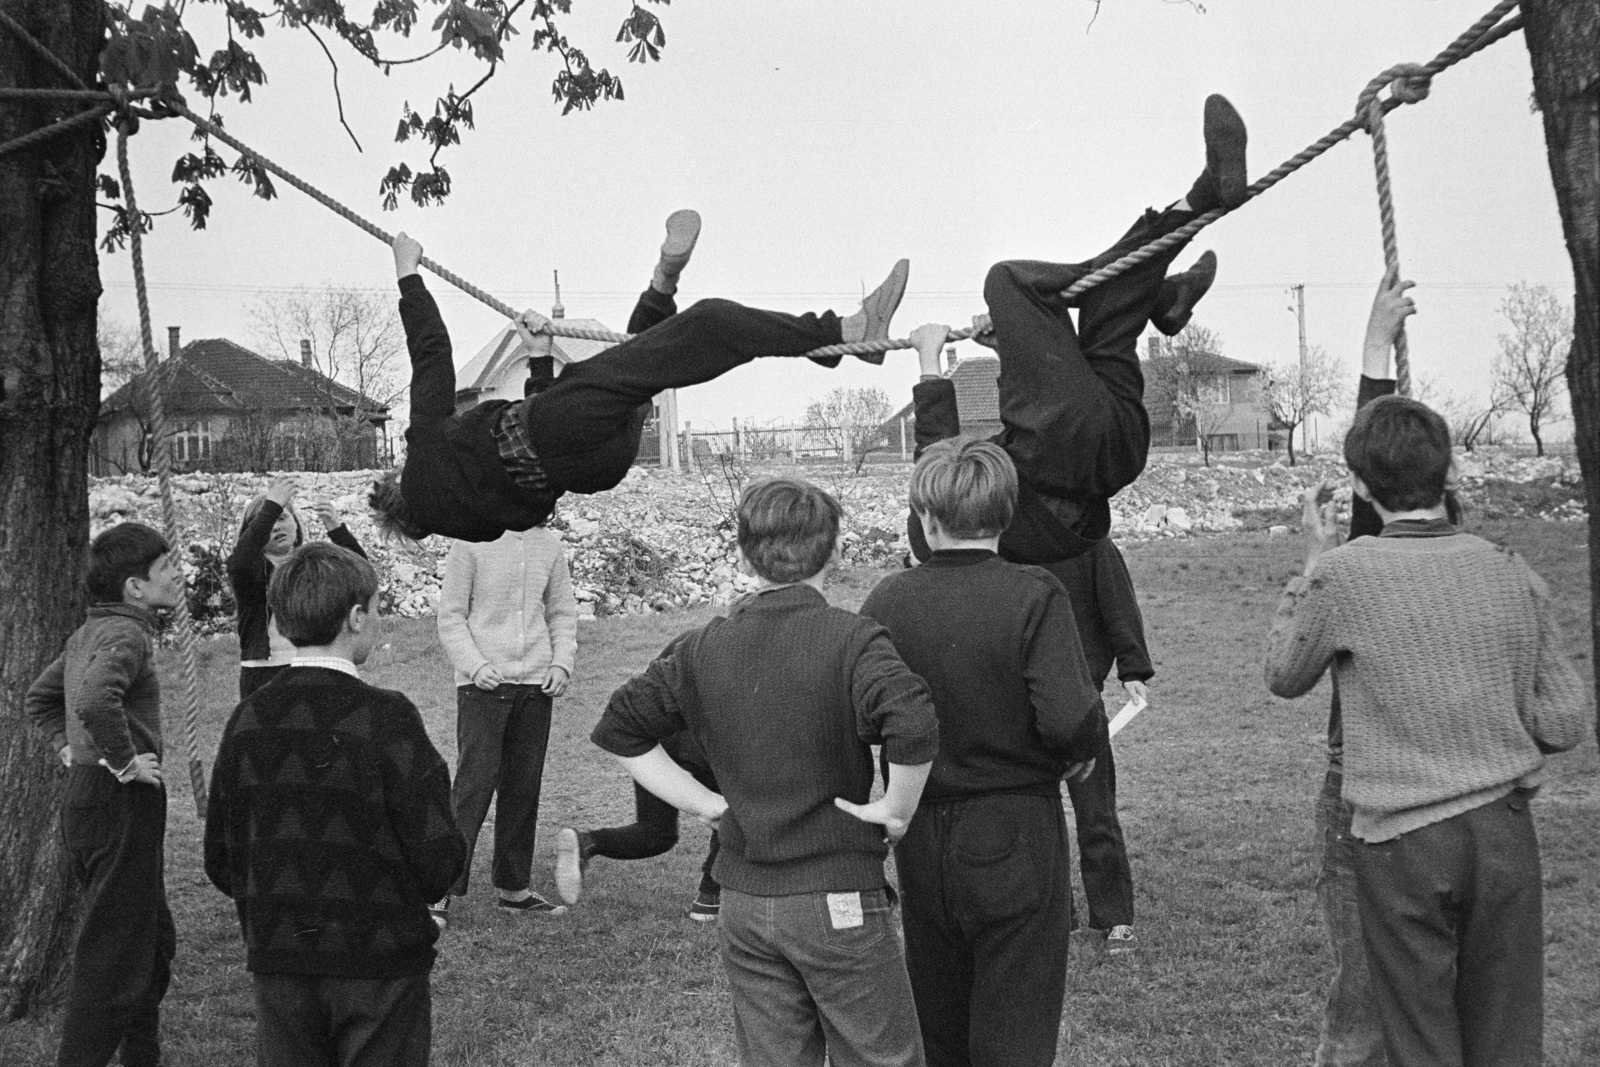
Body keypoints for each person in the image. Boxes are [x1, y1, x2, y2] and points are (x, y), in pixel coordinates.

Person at [1263, 386, 1587, 1066]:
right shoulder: (1511, 570)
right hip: (1503, 834)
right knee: (1506, 1040)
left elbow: (1285, 673)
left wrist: (1312, 563)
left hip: (1400, 845)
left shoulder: (1345, 575)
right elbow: (1563, 720)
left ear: (1359, 482)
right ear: (1447, 472)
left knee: (1418, 1040)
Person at [590, 477, 940, 1067]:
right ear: (833, 550)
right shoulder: (853, 639)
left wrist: (708, 805)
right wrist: (896, 810)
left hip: (744, 906)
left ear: (742, 552)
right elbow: (914, 720)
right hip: (837, 899)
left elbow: (621, 727)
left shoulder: (702, 645)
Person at [370, 211, 911, 542]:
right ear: (399, 486)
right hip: (558, 426)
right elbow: (432, 355)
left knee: (643, 362)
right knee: (709, 323)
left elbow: (525, 481)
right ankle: (843, 332)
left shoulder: (470, 522)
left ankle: (662, 282)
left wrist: (538, 358)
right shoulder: (424, 468)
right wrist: (408, 274)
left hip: (596, 466)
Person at [904, 94, 1249, 566]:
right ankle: (1151, 291)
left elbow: (953, 457)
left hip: (1115, 451)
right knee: (1008, 282)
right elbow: (935, 458)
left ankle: (1193, 214)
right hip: (1063, 450)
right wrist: (929, 364)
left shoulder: (971, 536)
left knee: (1107, 310)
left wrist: (1010, 347)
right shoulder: (935, 525)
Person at [858, 436, 1107, 1067]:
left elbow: (862, 714)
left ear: (926, 518)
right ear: (1007, 512)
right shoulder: (1034, 592)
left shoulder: (888, 599)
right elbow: (1070, 714)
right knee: (1016, 1030)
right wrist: (1076, 750)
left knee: (940, 1023)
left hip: (918, 824)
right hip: (1016, 826)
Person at [204, 542, 466, 1067]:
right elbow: (438, 855)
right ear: (355, 617)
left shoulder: (248, 718)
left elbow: (221, 859)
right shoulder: (386, 717)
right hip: (380, 964)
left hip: (280, 960)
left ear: (278, 622)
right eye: (376, 608)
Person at [24, 522, 183, 1067]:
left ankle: (143, 1055)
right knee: (114, 955)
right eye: (168, 568)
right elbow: (93, 699)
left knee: (152, 942)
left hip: (93, 799)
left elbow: (42, 699)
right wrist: (121, 762)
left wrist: (68, 749)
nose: (179, 575)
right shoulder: (126, 636)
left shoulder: (88, 633)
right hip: (118, 800)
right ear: (135, 587)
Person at [433, 523, 578, 925]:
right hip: (482, 686)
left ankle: (514, 889)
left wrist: (561, 663)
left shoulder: (549, 545)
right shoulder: (469, 541)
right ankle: (438, 889)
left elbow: (562, 613)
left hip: (535, 687)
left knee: (523, 787)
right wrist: (475, 665)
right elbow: (451, 616)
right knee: (472, 788)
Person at [1043, 535, 1152, 957]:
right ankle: (1058, 915)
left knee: (1096, 813)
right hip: (1022, 706)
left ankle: (1115, 919)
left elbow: (1119, 607)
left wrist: (1133, 668)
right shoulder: (1007, 546)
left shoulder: (1093, 547)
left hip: (1082, 705)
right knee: (1037, 814)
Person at [552, 728, 724, 921]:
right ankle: (710, 899)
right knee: (736, 815)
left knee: (656, 832)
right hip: (710, 737)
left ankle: (586, 842)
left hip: (657, 743)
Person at [228, 474, 367, 699]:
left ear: (296, 523)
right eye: (266, 522)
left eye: (282, 518)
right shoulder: (249, 571)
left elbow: (361, 575)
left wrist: (337, 530)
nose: (275, 527)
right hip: (263, 674)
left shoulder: (310, 565)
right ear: (251, 533)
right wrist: (272, 505)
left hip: (314, 665)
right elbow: (240, 560)